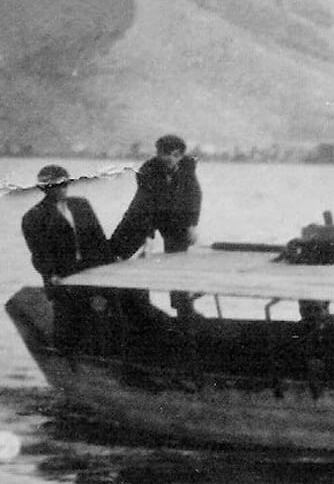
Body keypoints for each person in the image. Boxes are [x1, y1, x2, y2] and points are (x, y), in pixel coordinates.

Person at [20, 165, 115, 353]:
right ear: (44, 188)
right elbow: (39, 253)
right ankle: (66, 362)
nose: (61, 189)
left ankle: (100, 359)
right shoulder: (34, 216)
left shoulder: (81, 205)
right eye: (55, 185)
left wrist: (109, 268)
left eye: (64, 184)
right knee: (67, 325)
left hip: (90, 271)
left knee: (100, 318)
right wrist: (51, 274)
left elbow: (99, 239)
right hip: (62, 276)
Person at [110, 134, 202, 318]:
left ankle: (182, 307)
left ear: (181, 156)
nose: (171, 159)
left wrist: (192, 225)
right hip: (143, 214)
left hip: (174, 216)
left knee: (178, 259)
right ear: (158, 154)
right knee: (117, 251)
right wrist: (148, 237)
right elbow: (147, 206)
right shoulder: (147, 171)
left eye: (176, 155)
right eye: (166, 154)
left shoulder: (188, 165)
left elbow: (194, 196)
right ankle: (110, 297)